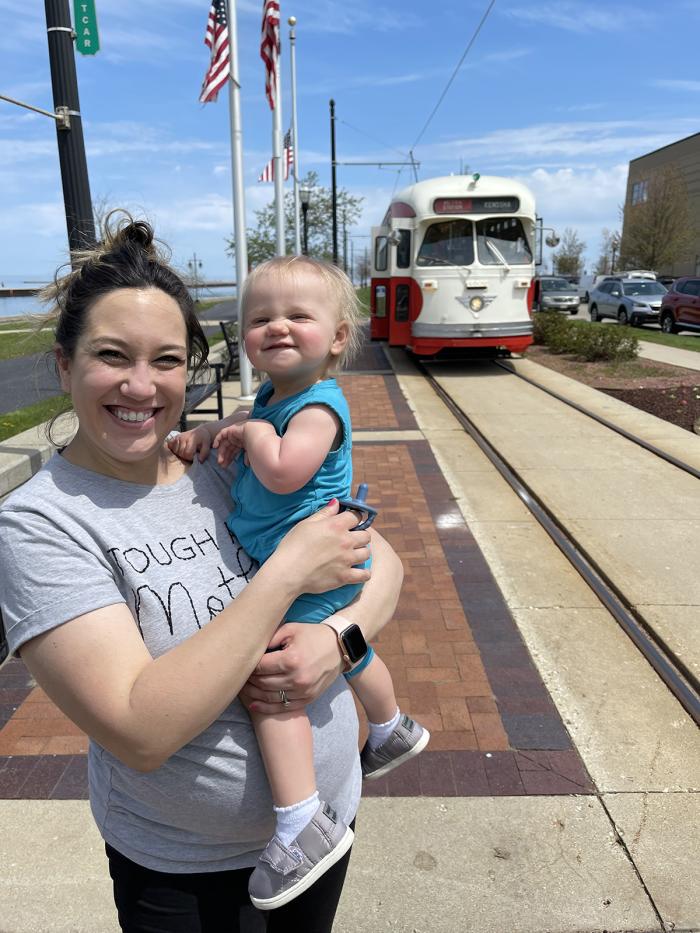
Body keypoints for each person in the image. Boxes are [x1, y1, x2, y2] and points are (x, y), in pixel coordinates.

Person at [0, 216, 404, 933]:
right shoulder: (41, 522)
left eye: (165, 360)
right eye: (111, 355)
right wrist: (284, 575)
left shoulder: (219, 461)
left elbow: (384, 562)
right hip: (188, 874)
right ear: (64, 366)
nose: (140, 384)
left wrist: (335, 640)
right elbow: (139, 727)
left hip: (327, 825)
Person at [169, 256, 429, 911]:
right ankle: (393, 725)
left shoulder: (318, 405)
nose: (276, 327)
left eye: (297, 316)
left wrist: (253, 432)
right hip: (304, 557)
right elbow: (250, 438)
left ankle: (298, 820)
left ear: (338, 338)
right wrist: (208, 434)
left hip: (308, 560)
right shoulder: (272, 398)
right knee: (350, 649)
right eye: (260, 318)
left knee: (275, 685)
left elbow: (285, 470)